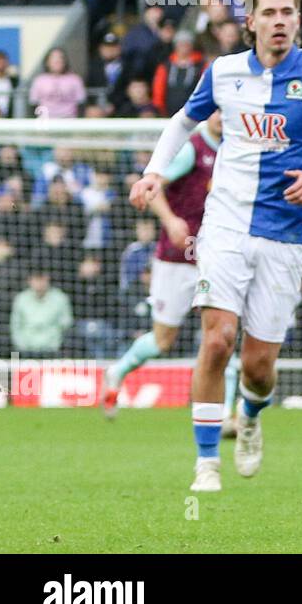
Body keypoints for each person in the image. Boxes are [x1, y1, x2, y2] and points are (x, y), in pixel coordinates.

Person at [128, 0, 302, 493]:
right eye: (269, 13)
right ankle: (205, 464)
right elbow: (180, 122)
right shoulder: (222, 73)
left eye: (288, 13)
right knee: (216, 340)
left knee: (260, 367)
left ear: (298, 20)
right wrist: (153, 172)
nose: (279, 21)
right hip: (226, 225)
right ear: (251, 22)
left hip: (285, 236)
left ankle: (253, 415)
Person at [103, 113, 236, 420]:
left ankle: (227, 414)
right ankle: (118, 372)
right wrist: (170, 220)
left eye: (225, 110)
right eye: (215, 110)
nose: (220, 117)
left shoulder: (235, 150)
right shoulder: (193, 149)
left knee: (221, 334)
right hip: (176, 259)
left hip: (213, 257)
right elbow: (154, 186)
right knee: (163, 340)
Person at [10, 268, 72, 354]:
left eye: (42, 279)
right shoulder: (21, 299)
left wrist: (55, 343)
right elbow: (15, 326)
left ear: (48, 279)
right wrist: (22, 345)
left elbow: (66, 324)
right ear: (29, 281)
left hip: (53, 349)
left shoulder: (60, 298)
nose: (39, 283)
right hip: (25, 349)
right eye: (36, 279)